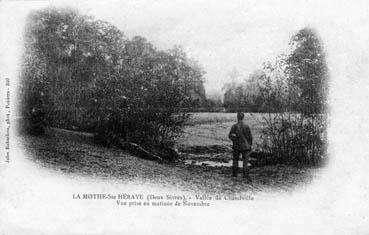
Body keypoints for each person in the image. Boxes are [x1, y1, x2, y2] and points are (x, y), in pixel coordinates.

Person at [228, 112, 253, 181]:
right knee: (245, 161)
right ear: (243, 117)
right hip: (245, 146)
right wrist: (250, 145)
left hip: (236, 146)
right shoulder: (246, 126)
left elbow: (230, 136)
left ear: (237, 117)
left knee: (235, 160)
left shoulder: (234, 126)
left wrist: (234, 138)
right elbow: (250, 137)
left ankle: (234, 174)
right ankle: (245, 175)